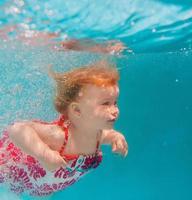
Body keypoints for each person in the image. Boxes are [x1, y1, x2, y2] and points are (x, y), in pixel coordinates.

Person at [0, 61, 128, 196]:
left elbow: (108, 135)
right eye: (105, 103)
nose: (115, 110)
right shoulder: (61, 137)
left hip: (40, 186)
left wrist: (116, 137)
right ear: (77, 110)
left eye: (115, 103)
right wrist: (44, 154)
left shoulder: (98, 136)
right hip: (10, 170)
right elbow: (17, 129)